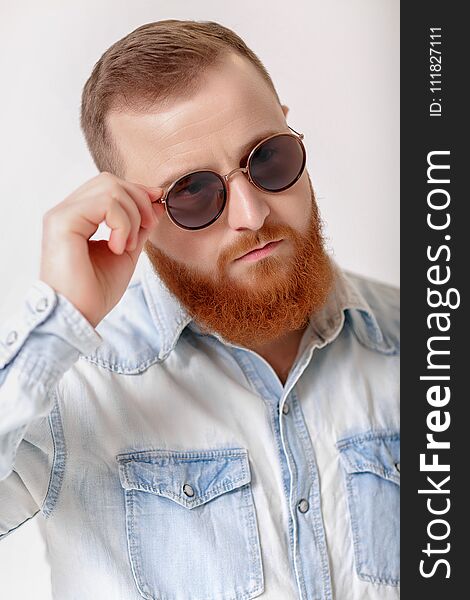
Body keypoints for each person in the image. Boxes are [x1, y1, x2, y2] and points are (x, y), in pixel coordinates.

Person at [0, 19, 399, 600]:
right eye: (193, 192)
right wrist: (59, 318)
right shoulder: (72, 385)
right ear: (132, 210)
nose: (252, 213)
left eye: (269, 159)